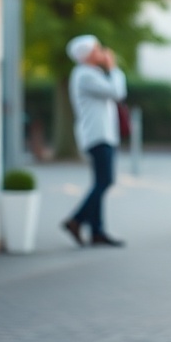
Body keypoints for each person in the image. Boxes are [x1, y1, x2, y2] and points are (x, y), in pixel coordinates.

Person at [61, 34, 127, 248]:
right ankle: (76, 220)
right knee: (105, 181)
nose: (103, 52)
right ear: (88, 54)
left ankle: (97, 230)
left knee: (100, 180)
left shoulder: (89, 73)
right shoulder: (85, 75)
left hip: (102, 135)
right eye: (97, 49)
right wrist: (114, 68)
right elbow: (117, 92)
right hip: (97, 135)